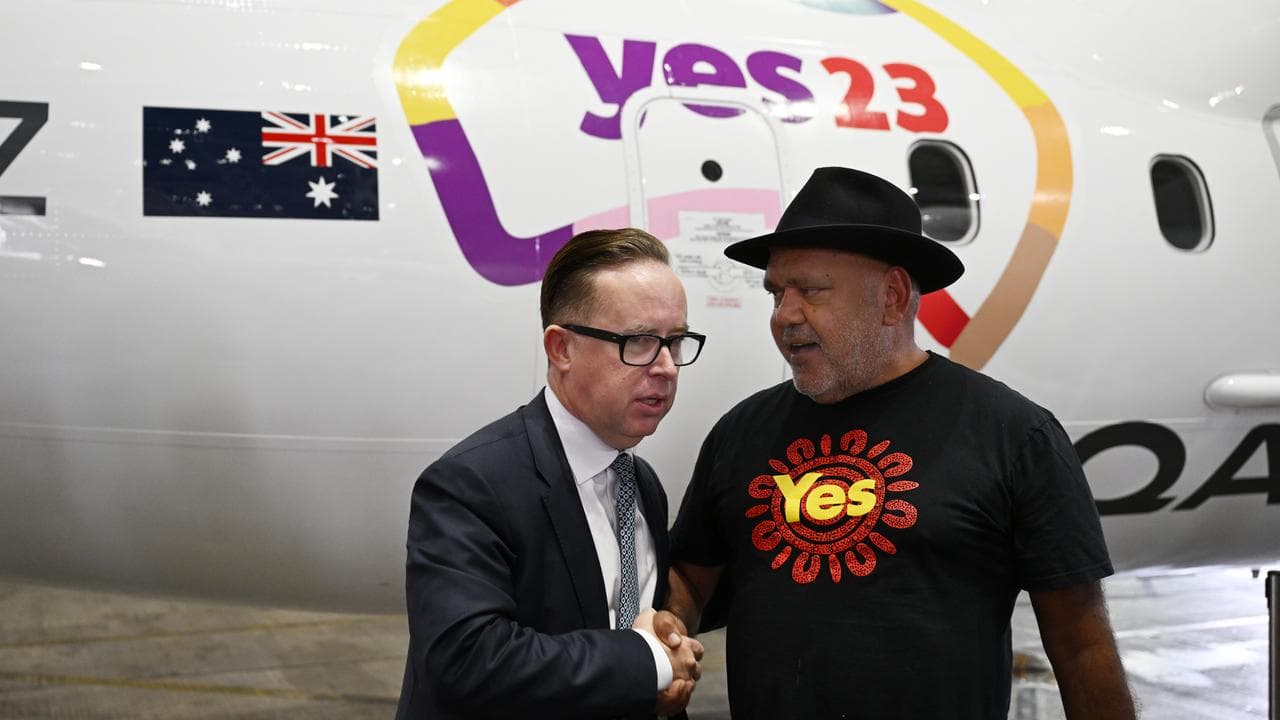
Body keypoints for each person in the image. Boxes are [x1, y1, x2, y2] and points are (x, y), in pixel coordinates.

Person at [660, 167, 1136, 719]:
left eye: (810, 291)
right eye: (776, 293)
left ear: (892, 297)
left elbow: (1080, 644)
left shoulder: (1013, 436)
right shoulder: (741, 431)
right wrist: (669, 628)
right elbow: (692, 578)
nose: (784, 316)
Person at [395, 228, 707, 719]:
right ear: (561, 348)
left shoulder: (639, 482)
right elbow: (468, 660)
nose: (667, 367)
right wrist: (647, 661)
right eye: (641, 342)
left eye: (676, 341)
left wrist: (662, 664)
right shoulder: (471, 484)